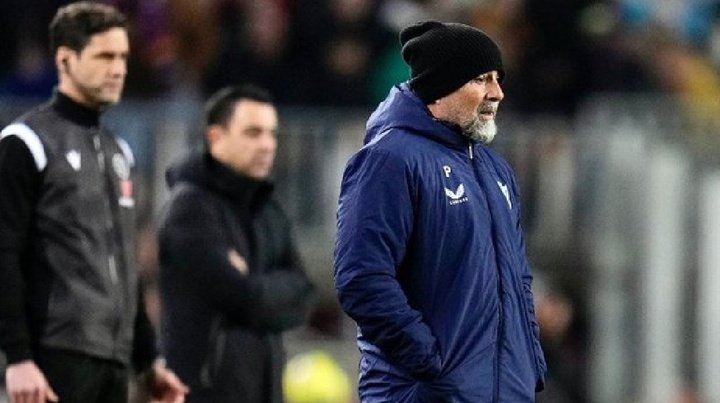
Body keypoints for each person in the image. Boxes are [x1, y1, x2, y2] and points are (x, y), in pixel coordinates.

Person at [334, 20, 548, 402]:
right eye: (482, 79)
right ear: (440, 86)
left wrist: (530, 363)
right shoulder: (389, 159)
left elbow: (518, 279)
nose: (497, 93)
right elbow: (363, 278)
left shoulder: (496, 169)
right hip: (427, 393)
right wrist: (433, 364)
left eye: (498, 79)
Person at [0, 3, 188, 403]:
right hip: (52, 358)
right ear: (65, 60)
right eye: (104, 56)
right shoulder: (25, 143)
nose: (118, 68)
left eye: (122, 56)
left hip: (112, 359)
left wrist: (147, 358)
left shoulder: (119, 151)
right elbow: (4, 254)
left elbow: (125, 269)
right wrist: (17, 357)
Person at [158, 85, 316, 403]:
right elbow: (235, 294)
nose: (267, 145)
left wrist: (253, 284)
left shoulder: (269, 210)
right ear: (216, 137)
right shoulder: (190, 208)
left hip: (264, 391)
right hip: (205, 392)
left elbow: (304, 295)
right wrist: (270, 289)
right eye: (253, 133)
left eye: (272, 134)